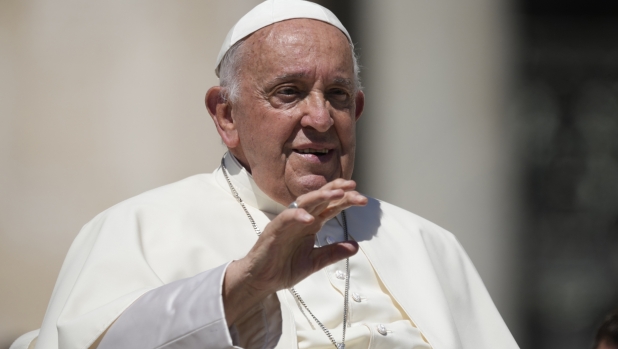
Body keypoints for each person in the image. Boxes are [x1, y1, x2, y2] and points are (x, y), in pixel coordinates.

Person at [11, 1, 519, 348]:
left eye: (338, 96)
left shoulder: (429, 245)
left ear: (357, 110)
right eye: (290, 93)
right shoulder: (137, 228)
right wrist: (242, 288)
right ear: (226, 116)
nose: (320, 119)